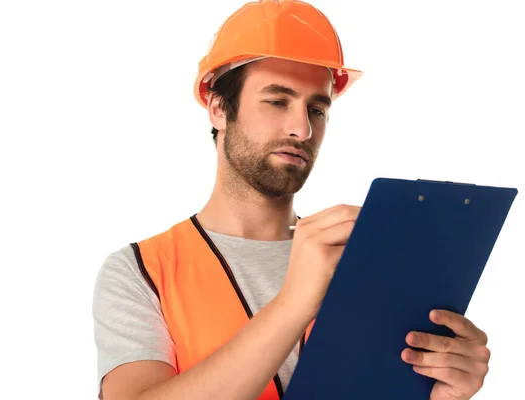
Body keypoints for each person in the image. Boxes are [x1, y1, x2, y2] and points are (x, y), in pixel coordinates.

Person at [92, 1, 491, 399]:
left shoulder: (365, 258)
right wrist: (293, 305)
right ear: (218, 108)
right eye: (277, 101)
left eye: (317, 108)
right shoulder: (142, 271)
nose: (302, 128)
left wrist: (437, 393)